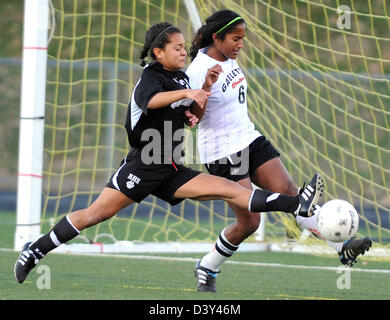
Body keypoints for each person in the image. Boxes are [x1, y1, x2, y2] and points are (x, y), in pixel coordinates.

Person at [14, 22, 323, 285]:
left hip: (172, 168)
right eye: (175, 47)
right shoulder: (150, 79)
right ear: (158, 52)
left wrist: (203, 90)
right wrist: (188, 92)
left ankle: (298, 204)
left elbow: (192, 116)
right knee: (95, 214)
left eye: (183, 46)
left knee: (231, 190)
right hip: (143, 166)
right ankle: (36, 249)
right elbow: (152, 102)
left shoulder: (181, 79)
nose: (182, 51)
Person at [186, 9, 372, 292]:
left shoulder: (229, 59)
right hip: (224, 152)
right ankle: (208, 266)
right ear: (217, 37)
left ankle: (342, 245)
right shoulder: (197, 70)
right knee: (249, 222)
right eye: (235, 39)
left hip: (250, 138)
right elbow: (191, 119)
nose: (240, 45)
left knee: (291, 192)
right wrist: (205, 89)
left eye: (243, 39)